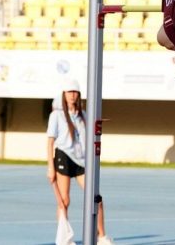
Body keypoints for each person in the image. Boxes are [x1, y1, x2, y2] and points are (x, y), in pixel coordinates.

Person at [47, 79, 113, 245]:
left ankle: (102, 237)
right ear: (64, 94)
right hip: (63, 156)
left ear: (79, 94)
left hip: (81, 161)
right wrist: (50, 166)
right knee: (64, 200)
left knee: (96, 197)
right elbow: (49, 141)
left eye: (75, 92)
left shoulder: (83, 115)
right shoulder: (57, 115)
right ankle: (64, 239)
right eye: (69, 92)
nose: (72, 95)